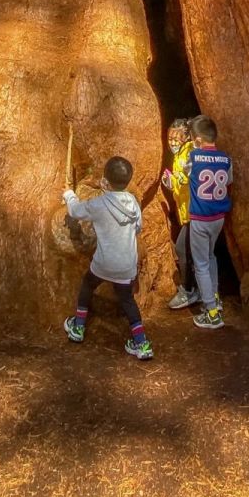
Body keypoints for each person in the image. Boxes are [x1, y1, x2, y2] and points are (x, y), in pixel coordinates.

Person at [62, 155, 154, 361]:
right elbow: (138, 228)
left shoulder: (100, 203)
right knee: (128, 300)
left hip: (103, 264)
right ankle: (142, 343)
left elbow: (76, 210)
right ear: (128, 182)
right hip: (126, 266)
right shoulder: (133, 203)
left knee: (87, 285)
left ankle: (78, 327)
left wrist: (69, 195)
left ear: (105, 181)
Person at [185, 115, 233, 330]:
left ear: (197, 139)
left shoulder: (194, 157)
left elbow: (185, 175)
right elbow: (229, 180)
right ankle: (215, 297)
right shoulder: (226, 159)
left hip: (200, 218)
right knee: (210, 256)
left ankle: (211, 313)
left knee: (201, 264)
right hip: (218, 219)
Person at [161, 117, 198, 309]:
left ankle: (189, 290)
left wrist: (173, 181)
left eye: (176, 139)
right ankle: (197, 289)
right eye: (170, 139)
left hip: (195, 212)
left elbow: (187, 179)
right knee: (191, 252)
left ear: (186, 137)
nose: (172, 143)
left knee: (183, 250)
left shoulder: (190, 151)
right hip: (187, 212)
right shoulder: (179, 155)